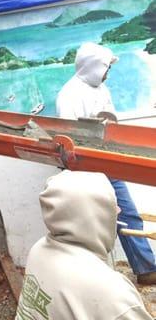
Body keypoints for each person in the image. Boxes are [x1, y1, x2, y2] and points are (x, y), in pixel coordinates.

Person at [56, 42, 156, 285]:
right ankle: (92, 280)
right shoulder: (68, 96)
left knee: (127, 213)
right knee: (90, 223)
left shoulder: (102, 89)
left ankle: (146, 269)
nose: (108, 73)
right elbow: (67, 138)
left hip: (108, 162)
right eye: (105, 68)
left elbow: (111, 121)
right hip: (84, 169)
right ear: (92, 67)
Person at [16, 170, 152, 319]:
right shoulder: (111, 294)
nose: (119, 210)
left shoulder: (38, 250)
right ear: (93, 214)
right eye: (110, 204)